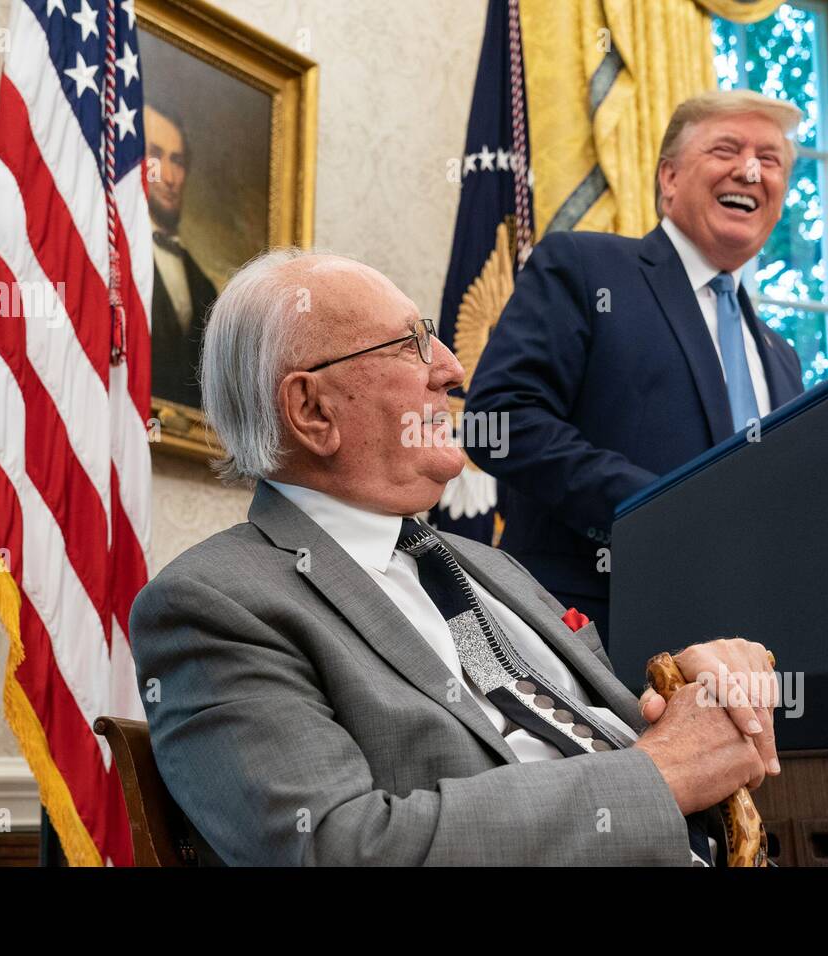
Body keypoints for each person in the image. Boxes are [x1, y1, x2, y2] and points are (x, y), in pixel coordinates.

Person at [128, 247, 781, 866]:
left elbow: (600, 740)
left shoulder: (493, 569)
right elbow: (335, 849)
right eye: (411, 344)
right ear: (312, 409)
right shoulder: (211, 603)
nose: (453, 369)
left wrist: (690, 691)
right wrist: (660, 775)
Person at [464, 90, 806, 646]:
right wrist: (661, 513)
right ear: (668, 178)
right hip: (592, 637)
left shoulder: (782, 355)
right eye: (727, 149)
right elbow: (497, 423)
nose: (750, 170)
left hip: (748, 655)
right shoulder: (584, 266)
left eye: (769, 160)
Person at [145, 103, 218, 407]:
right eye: (155, 155)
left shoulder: (204, 287)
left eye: (177, 161)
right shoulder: (104, 262)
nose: (171, 177)